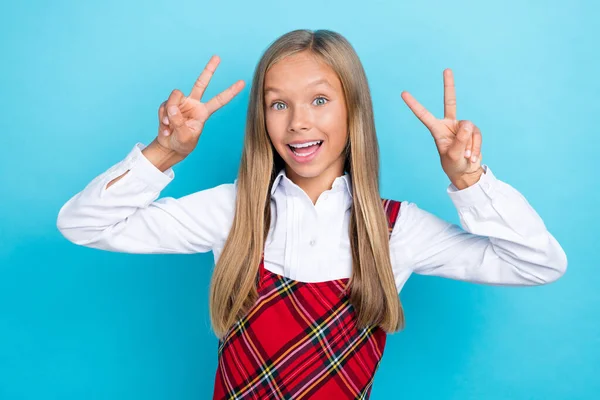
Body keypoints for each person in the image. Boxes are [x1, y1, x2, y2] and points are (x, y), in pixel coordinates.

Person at [56, 29, 567, 399]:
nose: (299, 122)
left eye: (320, 99)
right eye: (278, 104)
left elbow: (538, 265)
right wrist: (164, 154)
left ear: (353, 111)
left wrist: (469, 180)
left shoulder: (398, 230)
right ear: (263, 117)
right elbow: (82, 224)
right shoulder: (232, 210)